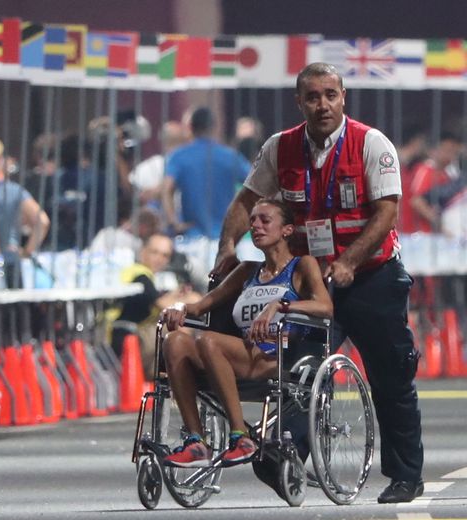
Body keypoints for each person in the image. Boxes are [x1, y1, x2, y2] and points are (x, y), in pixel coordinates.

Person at [213, 63, 424, 503]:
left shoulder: (371, 143)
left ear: (343, 96)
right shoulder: (281, 148)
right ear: (300, 102)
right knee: (300, 372)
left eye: (330, 94)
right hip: (312, 281)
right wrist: (226, 248)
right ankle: (286, 456)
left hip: (372, 277)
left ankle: (406, 476)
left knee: (391, 376)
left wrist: (349, 260)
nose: (322, 104)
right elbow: (246, 200)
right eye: (313, 96)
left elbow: (387, 213)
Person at [160, 199, 332, 467]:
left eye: (265, 220)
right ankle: (196, 442)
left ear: (287, 230)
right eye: (252, 220)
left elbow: (325, 307)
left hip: (276, 357)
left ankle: (240, 436)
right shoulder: (247, 271)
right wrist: (179, 308)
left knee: (209, 340)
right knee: (175, 341)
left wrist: (281, 305)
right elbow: (202, 305)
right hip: (238, 354)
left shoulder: (302, 266)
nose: (256, 226)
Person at [110, 233, 200, 379]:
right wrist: (194, 302)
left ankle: (174, 374)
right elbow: (162, 305)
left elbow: (155, 299)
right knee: (181, 325)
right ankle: (182, 375)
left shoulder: (143, 275)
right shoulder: (139, 274)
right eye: (155, 252)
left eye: (165, 256)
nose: (159, 259)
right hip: (127, 338)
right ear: (143, 251)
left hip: (134, 336)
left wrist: (179, 295)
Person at [162, 106, 251, 239]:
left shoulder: (179, 156)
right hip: (226, 236)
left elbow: (166, 189)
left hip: (193, 237)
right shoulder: (230, 156)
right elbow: (258, 184)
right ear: (214, 127)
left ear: (190, 128)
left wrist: (173, 223)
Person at [0, 134, 50, 288]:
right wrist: (26, 253)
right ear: (0, 160)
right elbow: (42, 222)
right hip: (10, 263)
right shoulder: (13, 190)